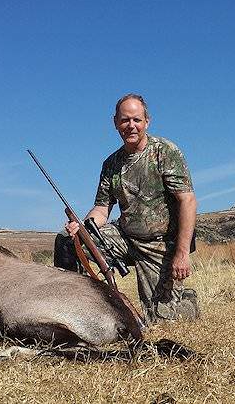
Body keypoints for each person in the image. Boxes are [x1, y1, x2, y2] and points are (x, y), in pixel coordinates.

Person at [53, 93, 199, 324]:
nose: (131, 126)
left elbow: (188, 201)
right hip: (125, 237)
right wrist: (82, 226)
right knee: (68, 241)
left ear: (146, 122)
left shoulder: (166, 152)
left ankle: (184, 300)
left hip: (160, 245)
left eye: (136, 120)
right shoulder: (110, 164)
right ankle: (72, 310)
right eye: (124, 120)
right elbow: (102, 208)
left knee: (162, 322)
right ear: (115, 123)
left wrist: (181, 254)